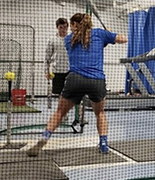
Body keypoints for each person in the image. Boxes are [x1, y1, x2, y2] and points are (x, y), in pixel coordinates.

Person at [27, 13, 128, 156]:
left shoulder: (68, 40)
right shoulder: (99, 33)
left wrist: (106, 37)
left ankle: (45, 136)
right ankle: (104, 143)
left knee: (60, 112)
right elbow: (124, 39)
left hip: (75, 80)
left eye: (71, 24)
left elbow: (86, 44)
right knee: (100, 113)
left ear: (74, 25)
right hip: (96, 81)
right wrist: (109, 35)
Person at [45, 18, 69, 95]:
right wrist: (47, 71)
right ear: (57, 27)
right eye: (61, 27)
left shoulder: (71, 39)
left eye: (65, 27)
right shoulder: (52, 40)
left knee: (71, 94)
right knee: (60, 94)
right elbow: (47, 57)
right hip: (57, 71)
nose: (63, 29)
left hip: (71, 71)